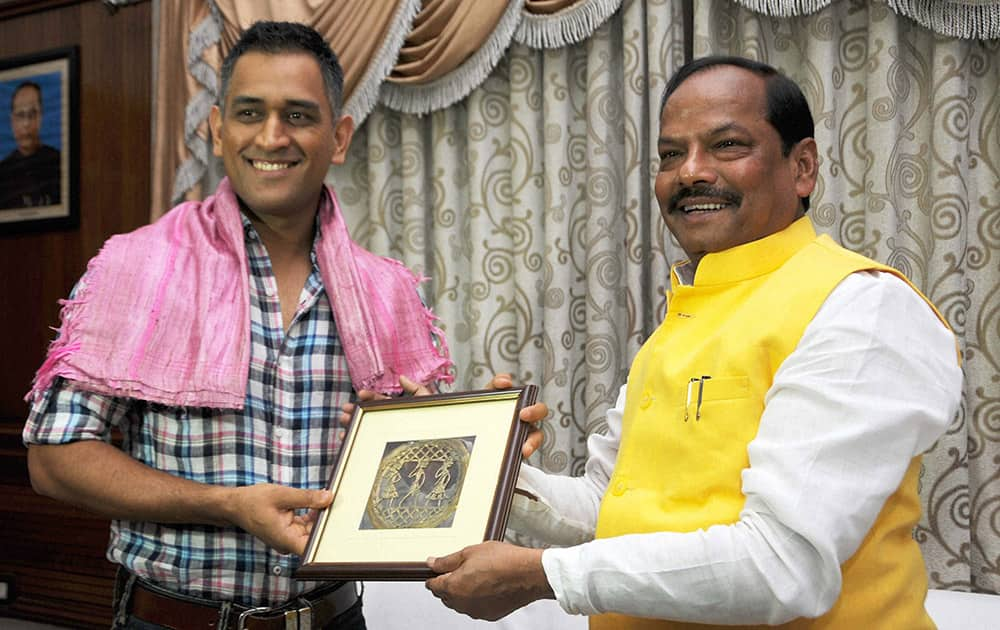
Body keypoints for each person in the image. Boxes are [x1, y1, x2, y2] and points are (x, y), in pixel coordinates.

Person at [425, 56, 963, 629]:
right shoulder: (678, 325)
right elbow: (608, 514)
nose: (690, 173)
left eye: (727, 145)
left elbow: (783, 564)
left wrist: (543, 575)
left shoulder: (862, 307)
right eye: (671, 154)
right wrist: (482, 463)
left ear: (802, 167)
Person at [23, 21, 454, 630]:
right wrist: (224, 505)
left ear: (339, 136)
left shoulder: (388, 293)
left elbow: (410, 483)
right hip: (171, 620)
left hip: (334, 619)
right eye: (251, 112)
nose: (272, 137)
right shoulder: (134, 268)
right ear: (218, 128)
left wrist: (487, 441)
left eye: (299, 115)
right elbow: (54, 458)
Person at [0, 80, 61, 209]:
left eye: (32, 114)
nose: (26, 124)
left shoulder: (59, 164)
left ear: (41, 117)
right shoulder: (3, 172)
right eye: (20, 115)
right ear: (12, 121)